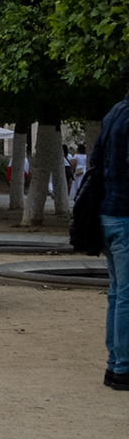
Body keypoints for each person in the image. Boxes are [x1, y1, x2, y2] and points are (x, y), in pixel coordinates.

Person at [95, 66, 129, 390]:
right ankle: (123, 368)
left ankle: (114, 365)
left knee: (117, 293)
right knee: (126, 296)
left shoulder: (114, 113)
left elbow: (95, 162)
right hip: (126, 215)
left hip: (108, 213)